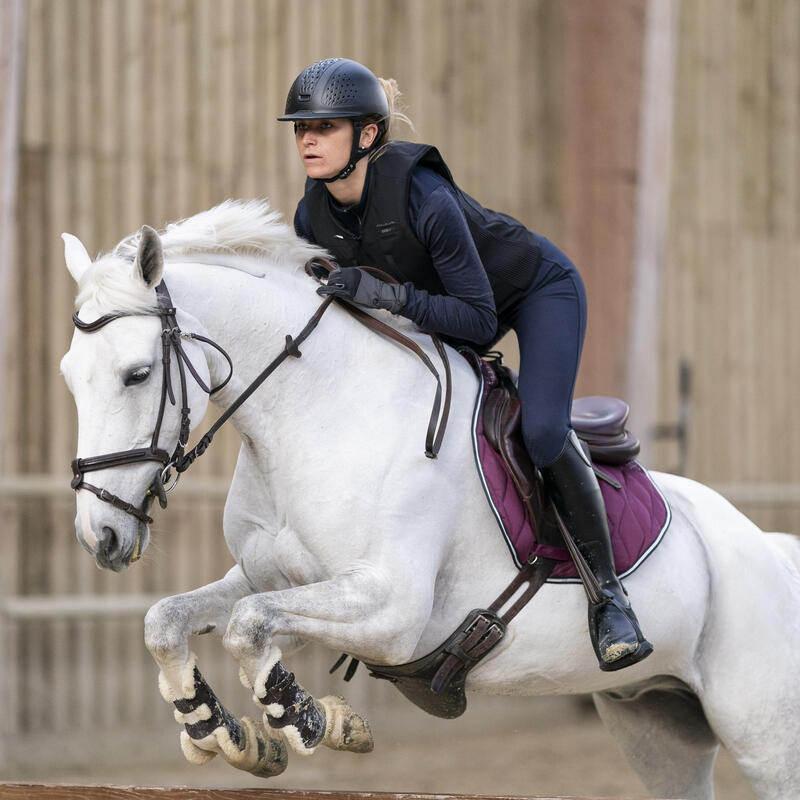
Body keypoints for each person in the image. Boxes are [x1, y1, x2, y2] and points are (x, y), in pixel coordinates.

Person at [278, 57, 652, 671]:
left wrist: (389, 296)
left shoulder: (424, 197)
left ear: (367, 135)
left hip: (535, 291)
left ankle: (610, 598)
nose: (308, 140)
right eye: (300, 128)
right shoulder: (310, 215)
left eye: (325, 127)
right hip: (448, 313)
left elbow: (478, 320)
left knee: (541, 430)